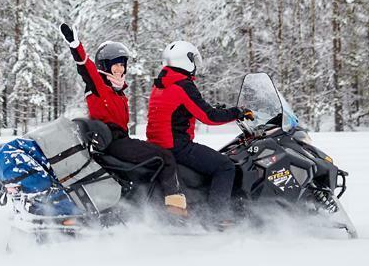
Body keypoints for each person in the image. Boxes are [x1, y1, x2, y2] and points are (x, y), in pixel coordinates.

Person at [59, 23, 188, 217]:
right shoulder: (99, 86)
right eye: (116, 63)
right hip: (114, 143)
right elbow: (85, 68)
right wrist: (76, 45)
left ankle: (149, 207)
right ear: (104, 65)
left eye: (122, 64)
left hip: (121, 141)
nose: (120, 68)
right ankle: (175, 209)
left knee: (154, 159)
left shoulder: (118, 92)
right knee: (166, 157)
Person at [146, 40, 254, 223]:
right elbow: (208, 116)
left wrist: (216, 109)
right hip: (177, 147)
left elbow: (182, 109)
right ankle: (218, 217)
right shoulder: (183, 85)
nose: (195, 65)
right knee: (225, 165)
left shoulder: (161, 84)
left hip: (158, 145)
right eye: (193, 59)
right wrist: (237, 112)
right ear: (184, 60)